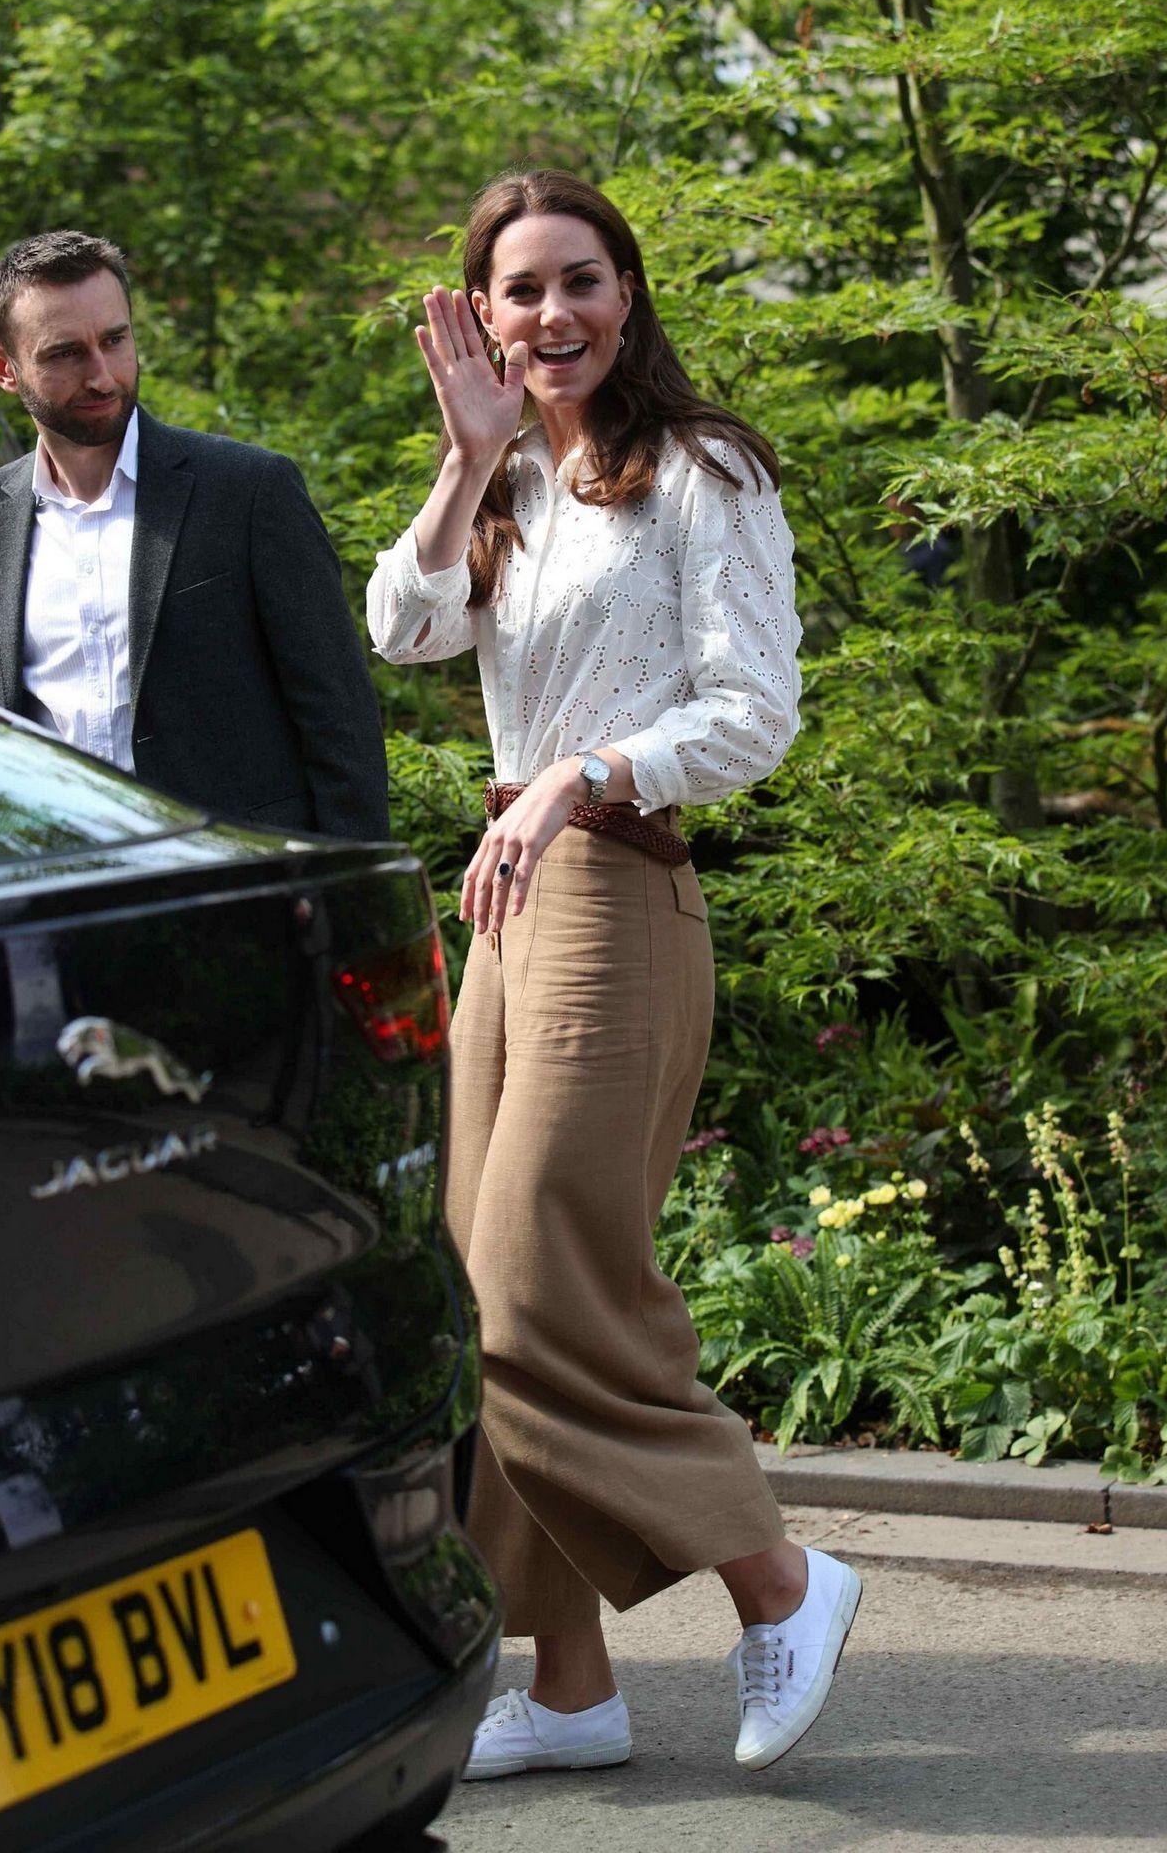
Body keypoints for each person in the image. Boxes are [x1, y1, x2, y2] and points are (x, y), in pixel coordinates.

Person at [367, 170, 859, 1779]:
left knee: (537, 1281)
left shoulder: (699, 473)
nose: (552, 315)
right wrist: (465, 459)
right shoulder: (514, 482)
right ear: (485, 321)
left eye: (581, 281)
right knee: (478, 1288)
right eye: (520, 292)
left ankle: (779, 1577)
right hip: (506, 902)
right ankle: (570, 1684)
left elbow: (755, 714)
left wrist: (579, 778)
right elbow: (402, 628)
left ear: (628, 294)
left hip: (607, 882)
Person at [0, 230, 387, 841]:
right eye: (65, 353)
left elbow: (340, 722)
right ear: (3, 369)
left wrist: (350, 892)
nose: (101, 375)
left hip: (225, 884)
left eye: (115, 341)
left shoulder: (249, 491)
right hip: (36, 888)